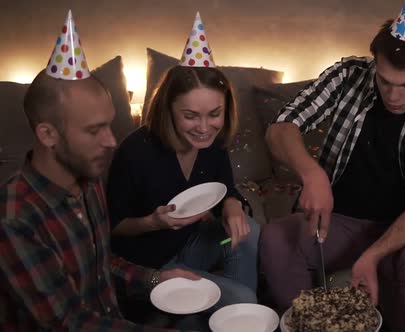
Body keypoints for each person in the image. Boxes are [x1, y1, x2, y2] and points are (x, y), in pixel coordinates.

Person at [258, 0, 405, 331]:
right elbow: (280, 129)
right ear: (374, 64)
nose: (393, 95)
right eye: (385, 81)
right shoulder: (349, 74)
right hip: (338, 221)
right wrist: (312, 173)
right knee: (276, 239)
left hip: (402, 230)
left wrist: (374, 255)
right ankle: (309, 325)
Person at [0, 11, 200, 331]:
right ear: (47, 134)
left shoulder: (89, 181)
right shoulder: (15, 217)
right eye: (95, 131)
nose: (111, 141)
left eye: (109, 124)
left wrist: (155, 278)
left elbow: (100, 264)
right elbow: (67, 322)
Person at [106, 12, 259, 329]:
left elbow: (226, 189)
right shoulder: (136, 152)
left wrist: (232, 207)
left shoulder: (212, 144)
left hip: (190, 246)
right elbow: (113, 228)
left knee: (249, 231)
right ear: (168, 109)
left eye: (214, 113)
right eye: (190, 116)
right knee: (242, 298)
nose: (205, 128)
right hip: (151, 264)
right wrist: (154, 221)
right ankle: (225, 308)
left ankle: (225, 316)